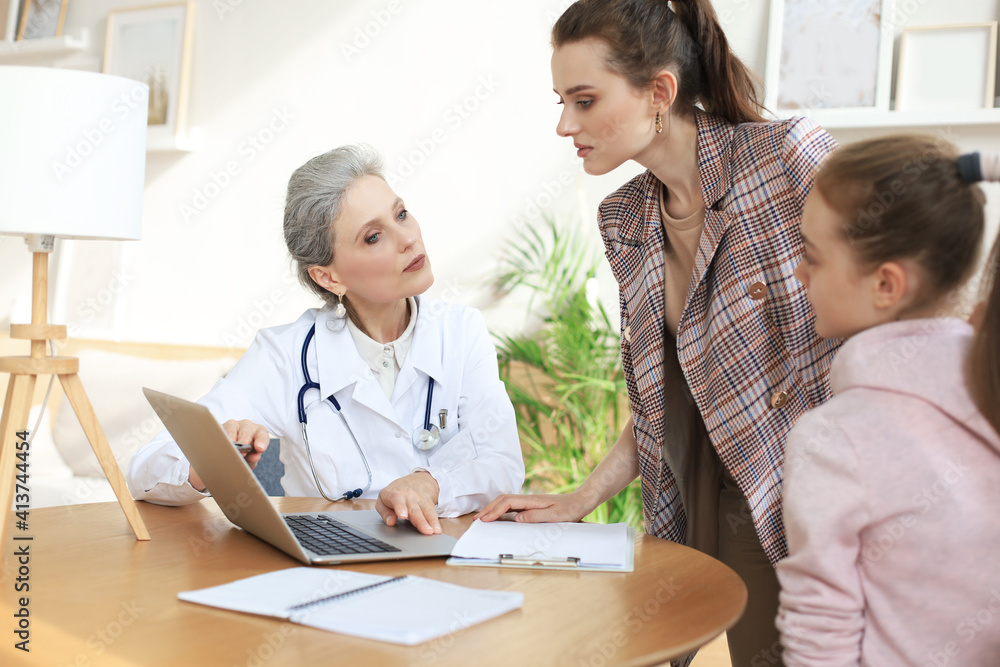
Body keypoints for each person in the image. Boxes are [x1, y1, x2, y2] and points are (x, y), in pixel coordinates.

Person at [479, 1, 840, 663]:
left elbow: (891, 310)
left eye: (584, 101)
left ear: (660, 92)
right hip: (720, 492)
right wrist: (580, 498)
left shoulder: (787, 159)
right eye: (561, 101)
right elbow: (659, 397)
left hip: (830, 492)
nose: (565, 125)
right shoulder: (626, 219)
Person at [127, 145, 525, 535]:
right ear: (328, 277)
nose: (407, 239)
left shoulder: (460, 332)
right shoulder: (286, 355)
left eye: (401, 214)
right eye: (373, 236)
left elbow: (503, 464)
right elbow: (144, 469)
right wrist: (207, 463)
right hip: (329, 570)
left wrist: (430, 483)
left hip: (447, 561)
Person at [775, 141, 1000, 665]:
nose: (799, 275)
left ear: (885, 284)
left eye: (811, 255)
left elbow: (820, 637)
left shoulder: (835, 440)